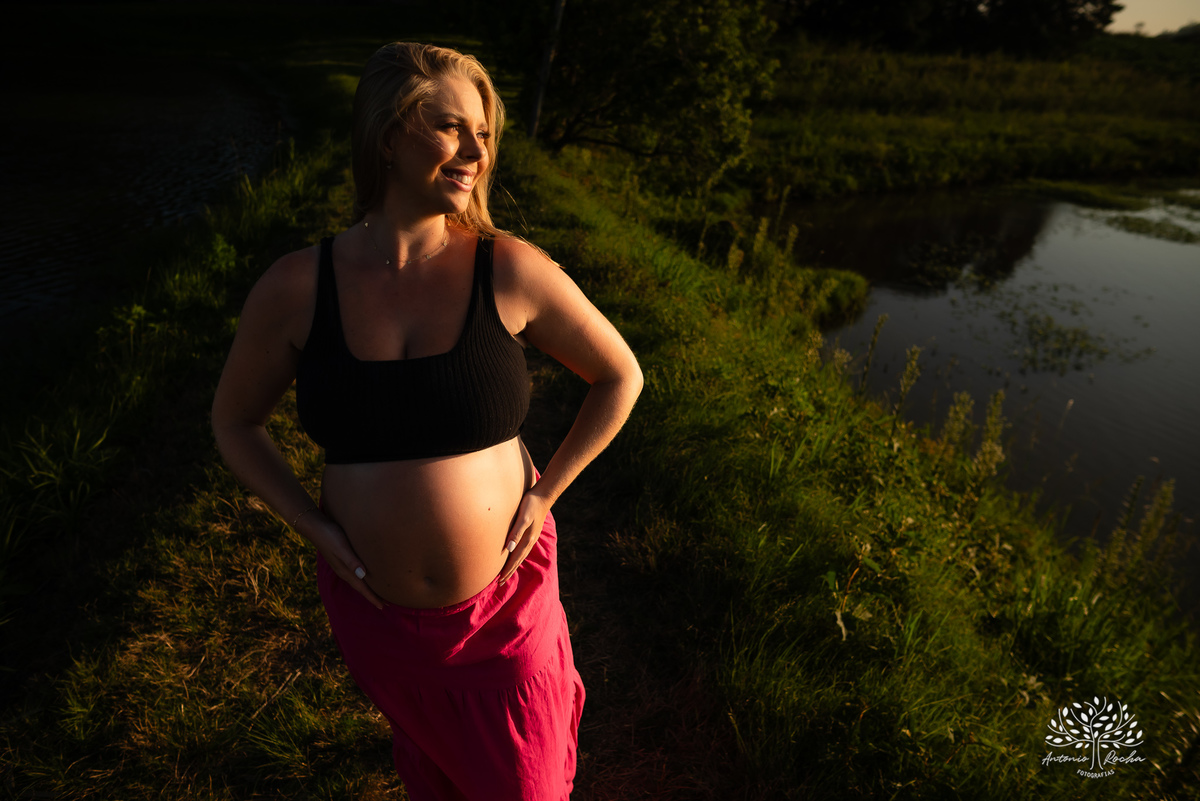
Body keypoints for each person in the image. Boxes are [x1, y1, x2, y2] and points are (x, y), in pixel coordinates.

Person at [211, 42, 643, 800]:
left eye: (484, 133)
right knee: (434, 777)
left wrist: (545, 494)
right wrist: (311, 524)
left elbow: (620, 375)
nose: (476, 151)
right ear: (387, 135)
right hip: (380, 628)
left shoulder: (507, 268)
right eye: (451, 127)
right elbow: (235, 422)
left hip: (505, 619)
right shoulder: (297, 287)